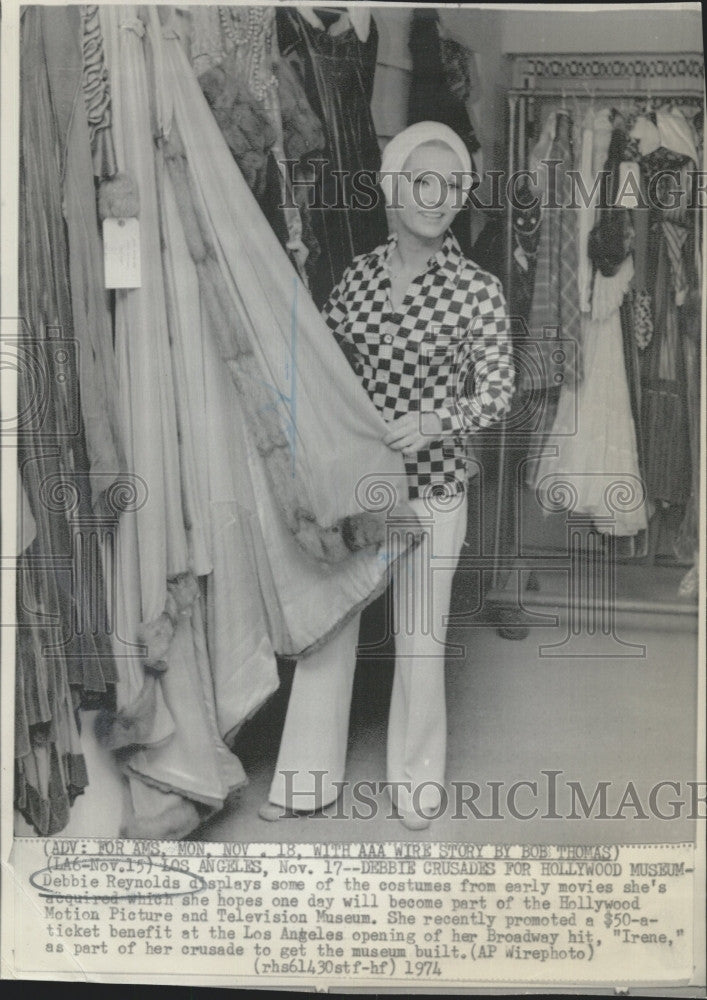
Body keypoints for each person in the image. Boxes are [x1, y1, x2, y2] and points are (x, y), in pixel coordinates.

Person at [259, 121, 514, 830]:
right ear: (393, 188)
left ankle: (416, 783)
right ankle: (303, 781)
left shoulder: (477, 289)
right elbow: (323, 363)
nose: (437, 199)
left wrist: (437, 421)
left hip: (433, 486)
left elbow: (498, 392)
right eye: (422, 183)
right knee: (331, 629)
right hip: (360, 484)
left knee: (419, 637)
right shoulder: (359, 275)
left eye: (452, 186)